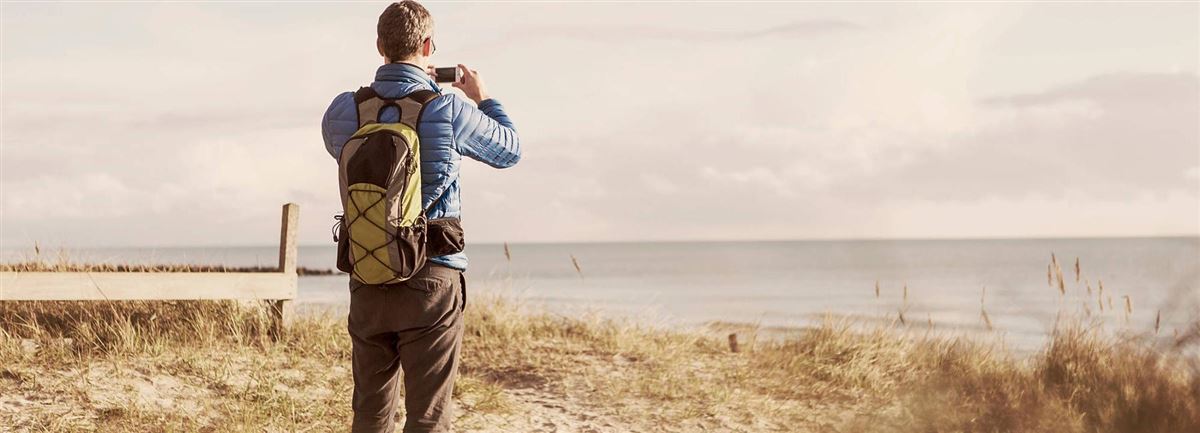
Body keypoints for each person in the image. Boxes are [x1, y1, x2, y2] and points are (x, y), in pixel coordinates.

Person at [320, 1, 521, 432]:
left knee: (370, 414)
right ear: (429, 45)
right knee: (428, 417)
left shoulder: (343, 111)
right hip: (432, 279)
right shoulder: (448, 109)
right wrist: (481, 97)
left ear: (379, 46)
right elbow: (509, 150)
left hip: (369, 270)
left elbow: (342, 149)